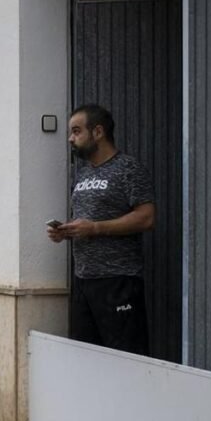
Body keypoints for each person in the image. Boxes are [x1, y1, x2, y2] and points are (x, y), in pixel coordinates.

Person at [47, 104, 155, 356]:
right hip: (84, 282)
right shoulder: (83, 175)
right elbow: (88, 221)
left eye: (76, 131)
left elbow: (147, 218)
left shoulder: (128, 168)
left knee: (126, 360)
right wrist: (66, 231)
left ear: (97, 132)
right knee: (86, 359)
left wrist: (95, 227)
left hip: (118, 281)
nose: (70, 139)